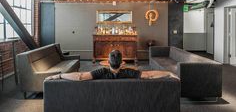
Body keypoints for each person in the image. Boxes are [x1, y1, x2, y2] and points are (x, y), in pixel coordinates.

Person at [46, 50, 177, 81]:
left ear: (108, 62)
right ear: (122, 62)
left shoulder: (100, 72)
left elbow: (79, 76)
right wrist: (169, 73)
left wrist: (58, 75)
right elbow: (149, 75)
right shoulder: (130, 72)